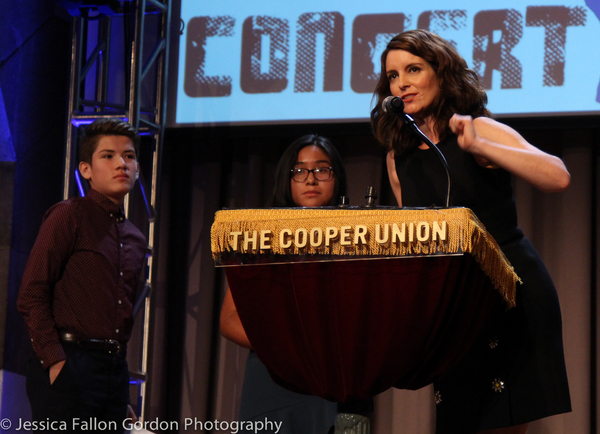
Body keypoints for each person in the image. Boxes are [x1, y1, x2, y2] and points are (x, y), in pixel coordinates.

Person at [371, 29, 571, 433]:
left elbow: (558, 176)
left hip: (510, 293)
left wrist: (482, 147)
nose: (402, 82)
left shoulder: (481, 131)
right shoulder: (398, 158)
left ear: (442, 74)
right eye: (393, 76)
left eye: (414, 69)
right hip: (453, 305)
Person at [17, 118, 147, 433]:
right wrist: (55, 361)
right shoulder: (69, 215)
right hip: (69, 359)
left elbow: (121, 316)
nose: (122, 164)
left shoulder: (134, 238)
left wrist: (118, 388)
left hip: (113, 370)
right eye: (109, 156)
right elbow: (32, 293)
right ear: (86, 169)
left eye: (129, 156)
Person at [220, 134, 347, 433]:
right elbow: (229, 320)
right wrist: (286, 349)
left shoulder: (358, 239)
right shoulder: (262, 237)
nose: (311, 180)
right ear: (287, 180)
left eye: (321, 169)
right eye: (300, 171)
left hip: (332, 379)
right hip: (271, 377)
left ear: (336, 177)